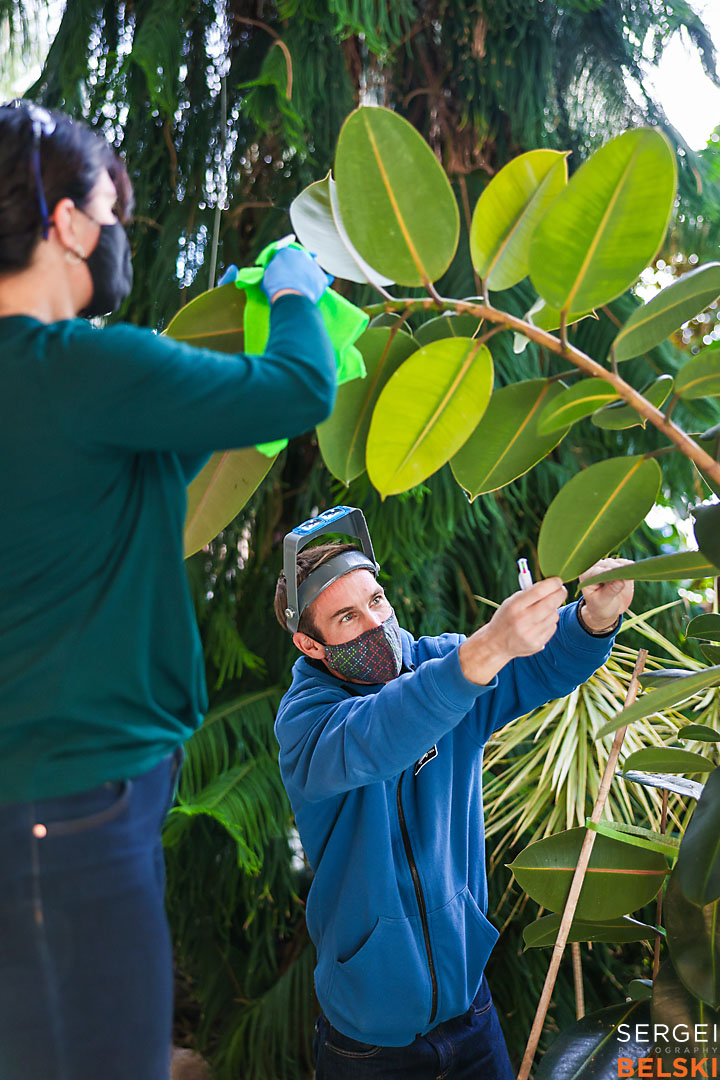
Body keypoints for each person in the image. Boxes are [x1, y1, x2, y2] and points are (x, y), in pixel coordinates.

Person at [0, 99, 338, 1080]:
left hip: (53, 797)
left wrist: (214, 410)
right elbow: (300, 388)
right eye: (105, 208)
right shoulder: (81, 366)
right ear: (63, 222)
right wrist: (294, 298)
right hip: (66, 807)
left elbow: (98, 489)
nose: (113, 232)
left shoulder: (59, 390)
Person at [272, 508, 634, 1079]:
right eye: (347, 617)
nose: (375, 622)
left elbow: (531, 668)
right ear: (310, 645)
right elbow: (381, 732)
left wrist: (593, 618)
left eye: (377, 601)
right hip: (369, 1043)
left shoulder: (436, 661)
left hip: (470, 1010)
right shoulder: (306, 723)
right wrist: (484, 651)